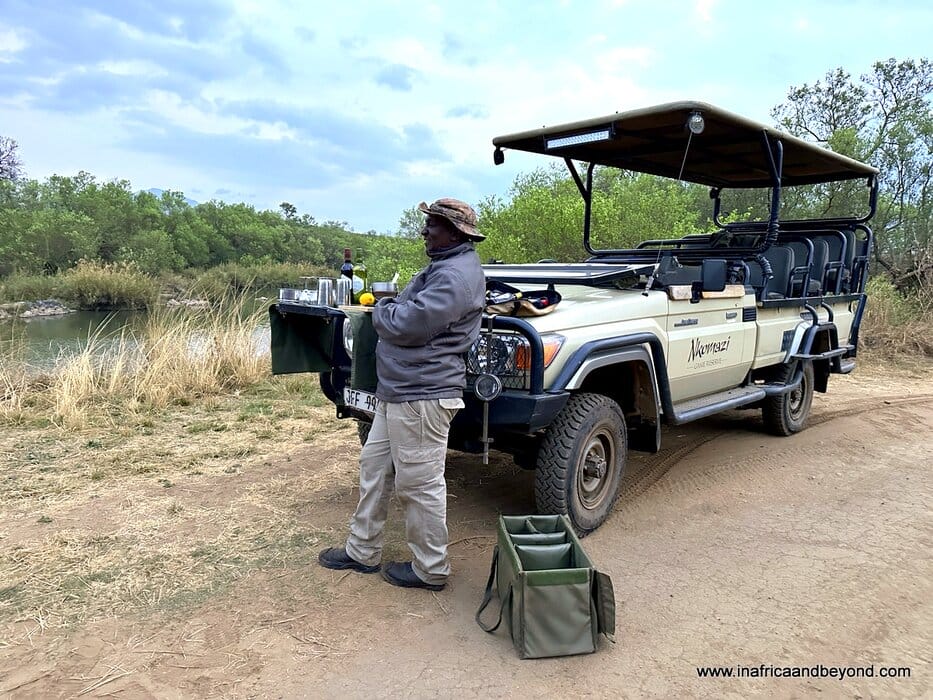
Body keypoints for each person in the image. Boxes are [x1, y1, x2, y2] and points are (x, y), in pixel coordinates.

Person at [318, 198, 486, 591]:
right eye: (426, 223)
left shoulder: (455, 276)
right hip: (402, 392)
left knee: (420, 485)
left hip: (422, 396)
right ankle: (362, 551)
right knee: (374, 468)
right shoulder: (444, 267)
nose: (424, 230)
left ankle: (431, 570)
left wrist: (382, 311)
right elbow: (407, 313)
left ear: (455, 232)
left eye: (432, 225)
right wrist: (393, 307)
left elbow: (408, 324)